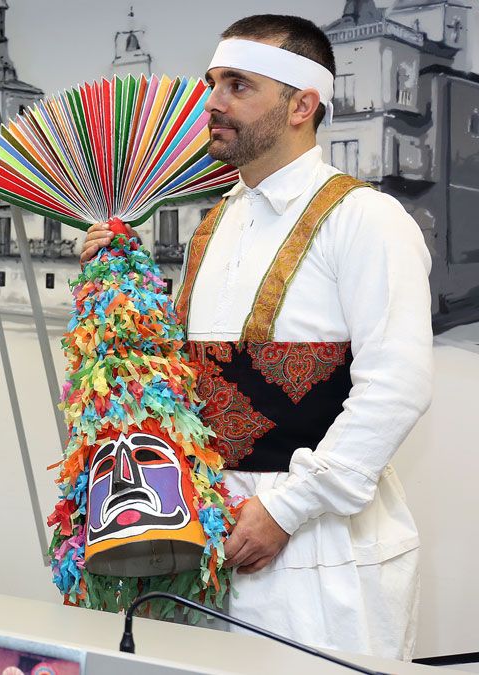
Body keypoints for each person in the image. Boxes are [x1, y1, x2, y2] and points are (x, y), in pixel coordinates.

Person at [81, 15, 431, 660]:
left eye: (238, 85)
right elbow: (184, 379)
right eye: (213, 83)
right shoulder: (215, 225)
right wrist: (118, 276)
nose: (212, 103)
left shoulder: (368, 220)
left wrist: (287, 512)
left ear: (303, 104)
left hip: (322, 554)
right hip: (207, 541)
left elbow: (397, 388)